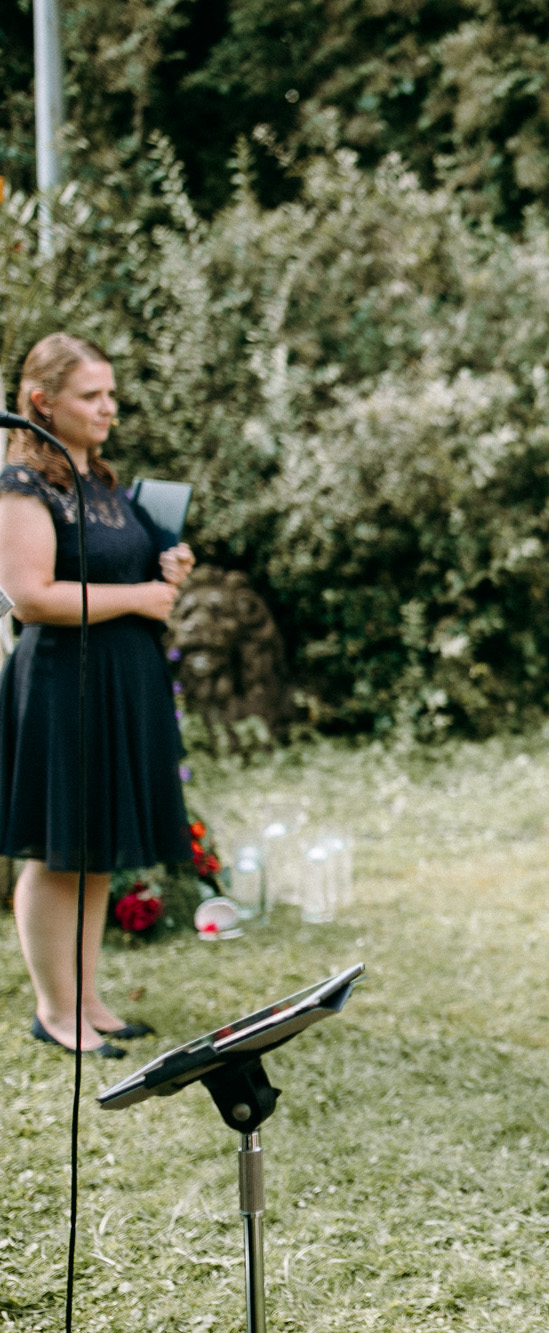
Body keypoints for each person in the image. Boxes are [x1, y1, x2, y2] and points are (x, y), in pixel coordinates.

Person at [0, 334, 194, 1057]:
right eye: (92, 394)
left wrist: (167, 563)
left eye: (111, 393)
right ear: (42, 402)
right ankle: (54, 1010)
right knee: (57, 851)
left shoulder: (107, 482)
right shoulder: (24, 487)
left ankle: (88, 998)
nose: (108, 407)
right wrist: (144, 594)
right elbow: (30, 597)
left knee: (95, 849)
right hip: (62, 682)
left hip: (121, 677)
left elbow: (127, 573)